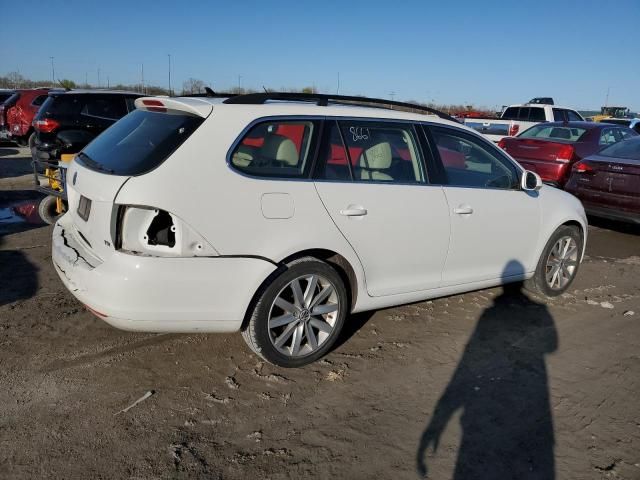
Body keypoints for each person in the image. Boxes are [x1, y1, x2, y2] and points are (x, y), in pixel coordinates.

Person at [417, 261, 558, 479]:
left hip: (479, 414)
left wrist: (438, 423)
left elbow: (464, 363)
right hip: (526, 399)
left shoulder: (488, 314)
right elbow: (552, 345)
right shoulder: (538, 310)